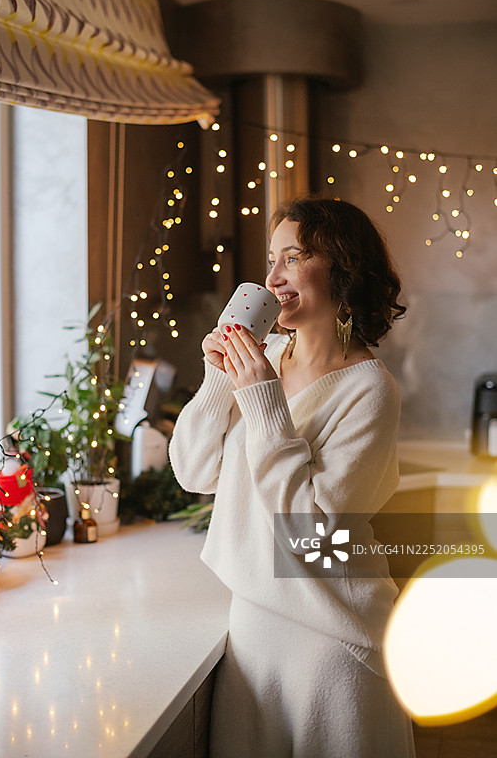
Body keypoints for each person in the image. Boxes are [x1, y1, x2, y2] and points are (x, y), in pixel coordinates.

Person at [168, 196, 417, 758]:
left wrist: (260, 399)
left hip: (332, 638)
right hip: (254, 629)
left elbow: (311, 533)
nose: (273, 277)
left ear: (342, 269)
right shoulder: (266, 356)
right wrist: (217, 379)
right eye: (270, 260)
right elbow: (193, 471)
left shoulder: (369, 390)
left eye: (293, 257)